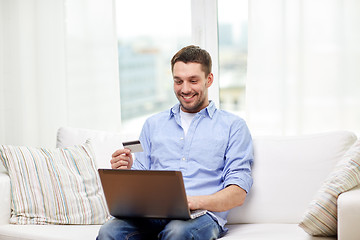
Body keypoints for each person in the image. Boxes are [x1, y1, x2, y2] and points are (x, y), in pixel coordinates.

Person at [97, 45, 253, 240]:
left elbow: (237, 193)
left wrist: (193, 202)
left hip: (202, 216)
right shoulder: (153, 124)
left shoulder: (233, 126)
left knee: (178, 232)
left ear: (209, 80)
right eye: (178, 81)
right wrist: (125, 173)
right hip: (153, 215)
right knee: (109, 231)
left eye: (193, 81)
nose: (185, 89)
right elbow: (142, 180)